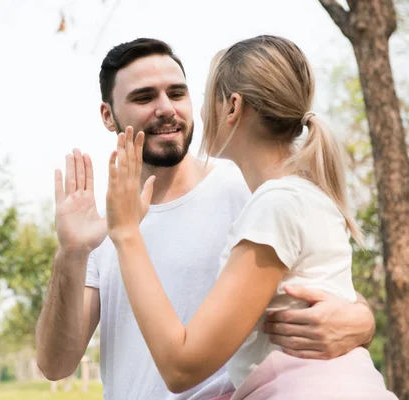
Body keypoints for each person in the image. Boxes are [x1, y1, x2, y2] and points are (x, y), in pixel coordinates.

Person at [36, 38, 376, 399]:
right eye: (144, 97)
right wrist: (71, 252)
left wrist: (362, 321)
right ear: (108, 115)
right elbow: (55, 365)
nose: (166, 108)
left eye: (178, 93)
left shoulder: (252, 192)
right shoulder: (103, 228)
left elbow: (322, 286)